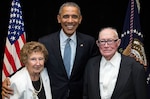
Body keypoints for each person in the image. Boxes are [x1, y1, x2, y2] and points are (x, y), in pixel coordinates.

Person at [1, 2, 98, 99]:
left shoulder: (88, 42)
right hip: (53, 95)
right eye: (66, 16)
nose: (70, 21)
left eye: (74, 16)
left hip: (79, 95)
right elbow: (31, 62)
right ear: (59, 19)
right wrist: (10, 78)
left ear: (80, 19)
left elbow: (95, 66)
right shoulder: (46, 42)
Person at [83, 27, 148, 99]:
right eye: (102, 41)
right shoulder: (91, 64)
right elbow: (86, 95)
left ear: (118, 43)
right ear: (97, 44)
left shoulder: (135, 67)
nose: (106, 45)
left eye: (110, 41)